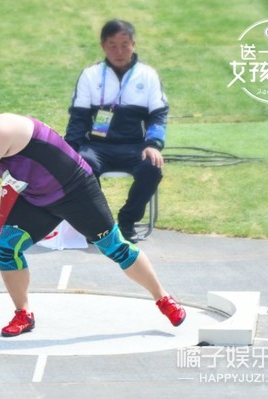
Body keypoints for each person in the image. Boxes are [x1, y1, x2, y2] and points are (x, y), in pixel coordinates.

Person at [0, 112, 185, 337]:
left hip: (77, 193)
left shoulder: (1, 129)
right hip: (38, 198)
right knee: (8, 246)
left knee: (114, 247)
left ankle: (163, 298)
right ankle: (23, 314)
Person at [64, 19, 168, 243]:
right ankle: (100, 225)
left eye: (125, 44)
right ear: (103, 46)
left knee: (153, 166)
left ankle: (127, 221)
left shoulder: (147, 75)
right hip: (97, 147)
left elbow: (158, 115)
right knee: (82, 166)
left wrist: (153, 145)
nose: (119, 51)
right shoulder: (90, 75)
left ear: (134, 44)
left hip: (136, 146)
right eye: (112, 44)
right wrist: (70, 150)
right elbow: (79, 118)